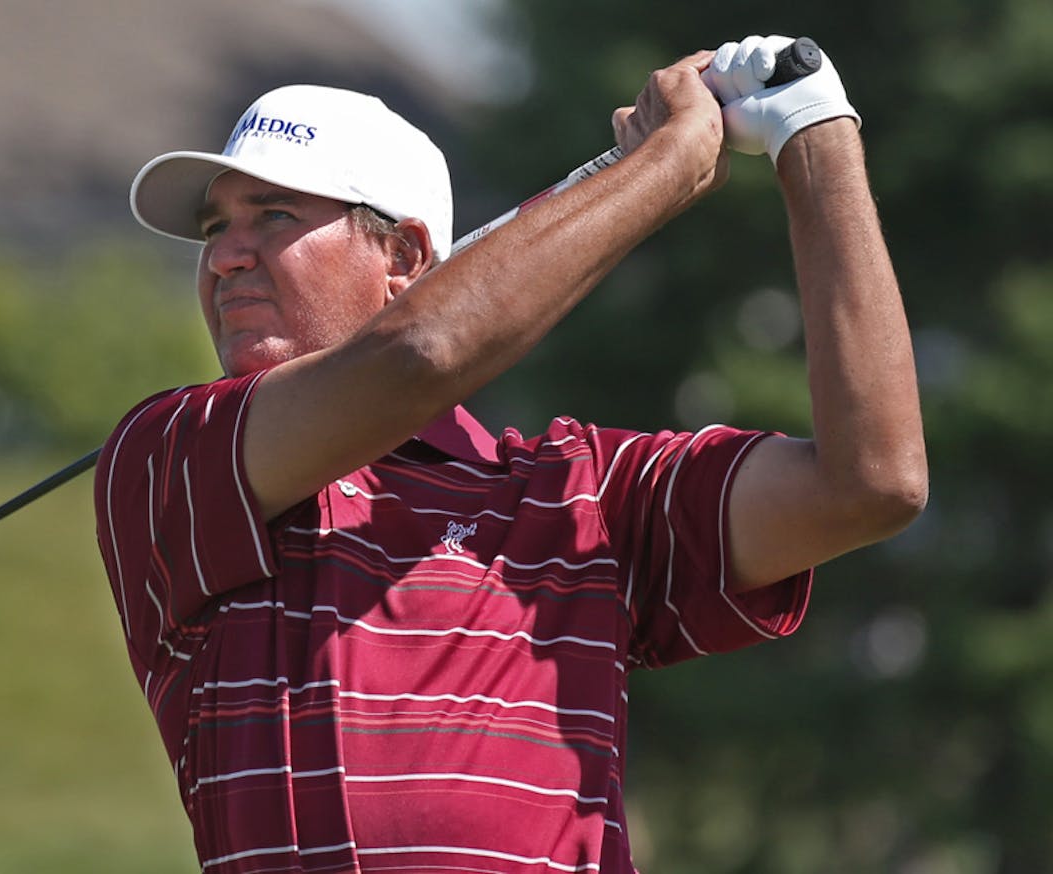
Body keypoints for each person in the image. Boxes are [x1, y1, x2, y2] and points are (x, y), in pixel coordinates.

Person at [94, 34, 926, 873]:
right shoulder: (168, 455)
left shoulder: (586, 494)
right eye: (215, 227)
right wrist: (666, 166)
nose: (225, 255)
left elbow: (870, 481)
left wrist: (816, 132)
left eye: (275, 215)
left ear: (406, 259)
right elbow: (419, 355)